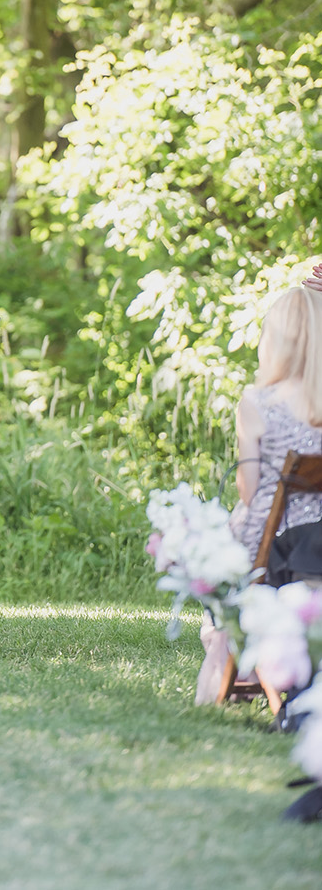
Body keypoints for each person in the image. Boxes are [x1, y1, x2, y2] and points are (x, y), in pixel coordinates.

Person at [196, 286, 322, 703]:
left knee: (219, 548)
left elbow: (249, 491)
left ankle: (233, 653)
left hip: (275, 547)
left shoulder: (258, 402)